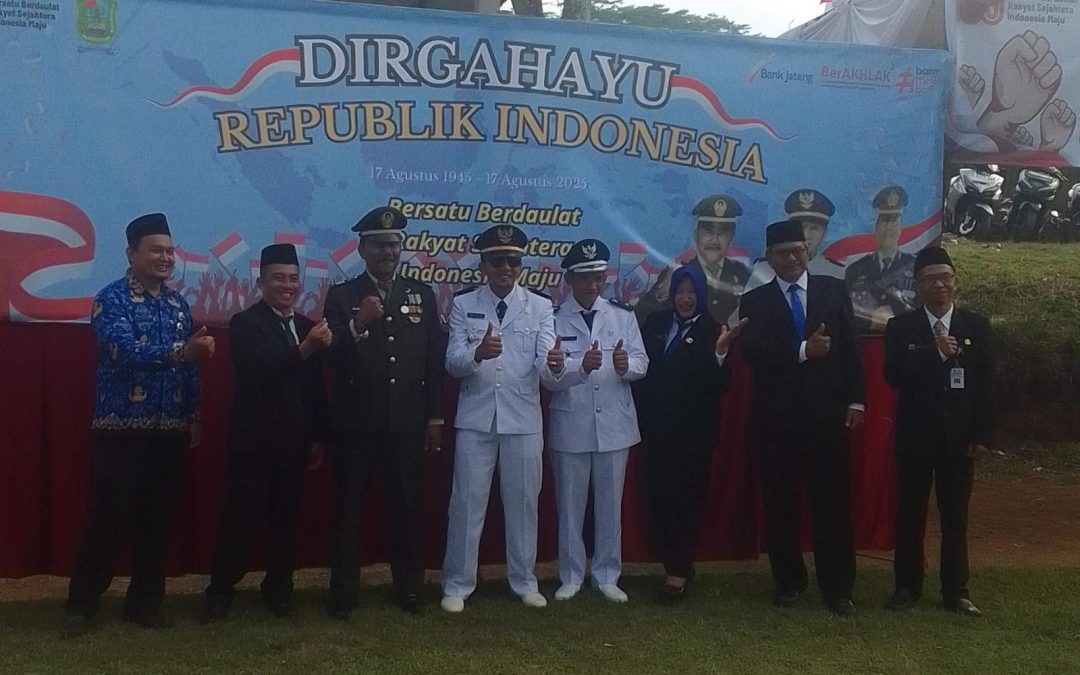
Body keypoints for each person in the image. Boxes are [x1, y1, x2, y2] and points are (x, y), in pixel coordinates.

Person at [63, 213, 215, 638]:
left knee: (158, 521)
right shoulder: (110, 299)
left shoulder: (178, 304)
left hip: (170, 429)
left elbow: (191, 369)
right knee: (108, 518)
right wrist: (182, 352)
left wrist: (194, 416)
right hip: (121, 429)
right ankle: (81, 605)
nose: (165, 258)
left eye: (170, 251)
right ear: (132, 254)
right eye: (156, 250)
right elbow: (123, 350)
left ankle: (145, 604)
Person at [322, 206, 445, 617]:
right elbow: (330, 360)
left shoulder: (421, 294)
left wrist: (434, 417)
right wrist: (358, 324)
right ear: (362, 249)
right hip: (356, 422)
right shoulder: (342, 296)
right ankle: (343, 592)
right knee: (348, 509)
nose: (388, 252)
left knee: (406, 506)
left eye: (393, 244)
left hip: (406, 421)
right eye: (379, 245)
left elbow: (432, 360)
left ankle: (409, 587)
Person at [738, 220, 865, 616]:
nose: (792, 258)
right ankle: (789, 580)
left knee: (832, 504)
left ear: (808, 251)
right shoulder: (754, 301)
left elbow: (850, 348)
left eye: (798, 250)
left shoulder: (833, 290)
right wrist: (803, 351)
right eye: (783, 253)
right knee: (781, 504)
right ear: (769, 258)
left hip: (828, 418)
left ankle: (838, 587)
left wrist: (857, 400)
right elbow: (752, 352)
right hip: (777, 422)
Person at [201, 243, 330, 623]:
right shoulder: (245, 323)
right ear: (261, 282)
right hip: (254, 444)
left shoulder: (306, 325)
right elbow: (260, 367)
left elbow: (314, 387)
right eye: (279, 278)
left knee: (286, 524)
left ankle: (278, 590)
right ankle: (219, 593)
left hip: (295, 443)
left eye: (293, 278)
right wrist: (305, 349)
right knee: (239, 523)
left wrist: (318, 435)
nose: (287, 286)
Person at [441, 224, 556, 613]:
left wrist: (556, 365)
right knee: (466, 504)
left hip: (523, 418)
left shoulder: (540, 306)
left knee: (523, 504)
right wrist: (477, 354)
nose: (506, 267)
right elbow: (452, 363)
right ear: (483, 265)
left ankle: (524, 580)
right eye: (497, 260)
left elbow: (546, 365)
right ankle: (458, 583)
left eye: (513, 261)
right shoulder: (464, 303)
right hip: (476, 418)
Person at [883, 246, 993, 617]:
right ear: (917, 286)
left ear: (955, 282)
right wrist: (935, 354)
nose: (939, 284)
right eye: (930, 279)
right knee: (910, 515)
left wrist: (981, 435)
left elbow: (987, 385)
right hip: (915, 437)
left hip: (958, 441)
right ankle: (906, 587)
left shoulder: (976, 326)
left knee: (955, 517)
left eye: (945, 277)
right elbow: (892, 376)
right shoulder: (901, 328)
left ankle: (955, 591)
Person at [539, 239, 648, 603]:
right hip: (571, 422)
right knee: (570, 506)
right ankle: (571, 574)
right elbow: (548, 377)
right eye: (585, 278)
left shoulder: (622, 315)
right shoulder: (553, 318)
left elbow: (642, 363)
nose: (593, 285)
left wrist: (626, 367)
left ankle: (607, 574)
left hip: (615, 423)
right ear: (569, 279)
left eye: (599, 277)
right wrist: (578, 368)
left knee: (609, 505)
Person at [633, 264, 743, 602]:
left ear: (702, 295)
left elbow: (722, 386)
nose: (685, 299)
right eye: (680, 292)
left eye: (691, 293)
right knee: (659, 500)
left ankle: (678, 571)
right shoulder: (656, 323)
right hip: (655, 431)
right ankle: (673, 562)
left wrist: (720, 354)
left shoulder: (714, 329)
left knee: (686, 502)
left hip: (693, 436)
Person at [635, 195, 751, 325]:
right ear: (696, 235)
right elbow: (640, 318)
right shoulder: (677, 272)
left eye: (721, 234)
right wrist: (662, 294)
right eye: (708, 233)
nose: (714, 240)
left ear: (731, 237)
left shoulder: (744, 274)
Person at [845, 186, 917, 332]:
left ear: (901, 226)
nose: (889, 227)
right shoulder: (855, 270)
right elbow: (847, 316)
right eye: (884, 221)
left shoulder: (915, 266)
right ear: (875, 226)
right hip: (864, 339)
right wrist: (872, 323)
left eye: (894, 220)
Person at [745, 188, 842, 292]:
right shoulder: (766, 269)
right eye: (801, 227)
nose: (807, 235)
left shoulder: (835, 273)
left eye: (814, 228)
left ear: (824, 234)